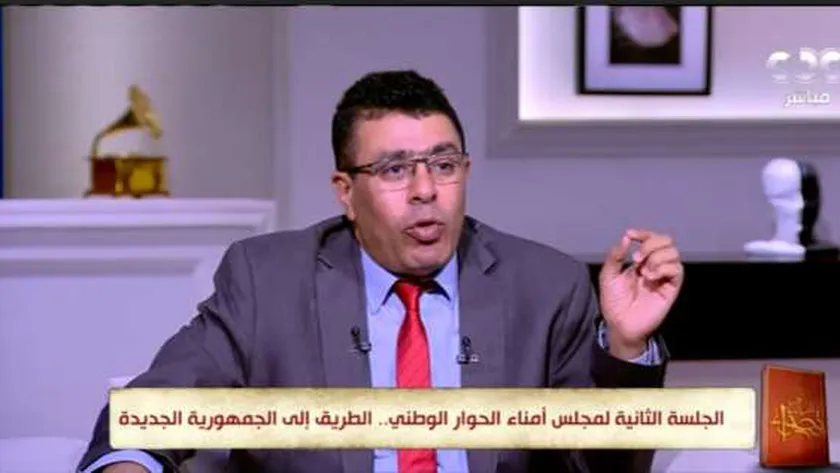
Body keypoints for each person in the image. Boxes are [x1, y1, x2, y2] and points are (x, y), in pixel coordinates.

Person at [78, 70, 684, 473]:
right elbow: (153, 409)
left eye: (443, 164)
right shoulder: (268, 281)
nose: (426, 191)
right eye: (395, 170)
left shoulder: (544, 286)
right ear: (345, 191)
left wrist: (626, 348)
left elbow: (603, 466)